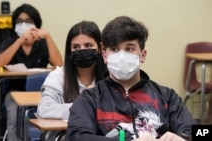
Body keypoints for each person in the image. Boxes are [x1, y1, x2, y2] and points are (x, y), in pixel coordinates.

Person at [66, 16, 199, 141]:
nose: (122, 56)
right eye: (114, 49)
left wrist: (183, 138)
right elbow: (76, 137)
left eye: (129, 49)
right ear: (105, 56)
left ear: (143, 55)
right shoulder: (90, 98)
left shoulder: (167, 96)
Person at [0, 3, 63, 141]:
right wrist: (20, 41)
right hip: (14, 92)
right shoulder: (11, 42)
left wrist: (48, 36)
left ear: (36, 24)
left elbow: (59, 64)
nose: (24, 24)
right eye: (20, 21)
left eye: (28, 21)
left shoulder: (42, 44)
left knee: (52, 110)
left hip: (40, 93)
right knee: (14, 114)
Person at [36, 20, 107, 140]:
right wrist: (84, 108)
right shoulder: (58, 76)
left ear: (100, 48)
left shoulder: (111, 76)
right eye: (76, 47)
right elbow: (44, 109)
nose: (82, 50)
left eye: (89, 46)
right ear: (70, 50)